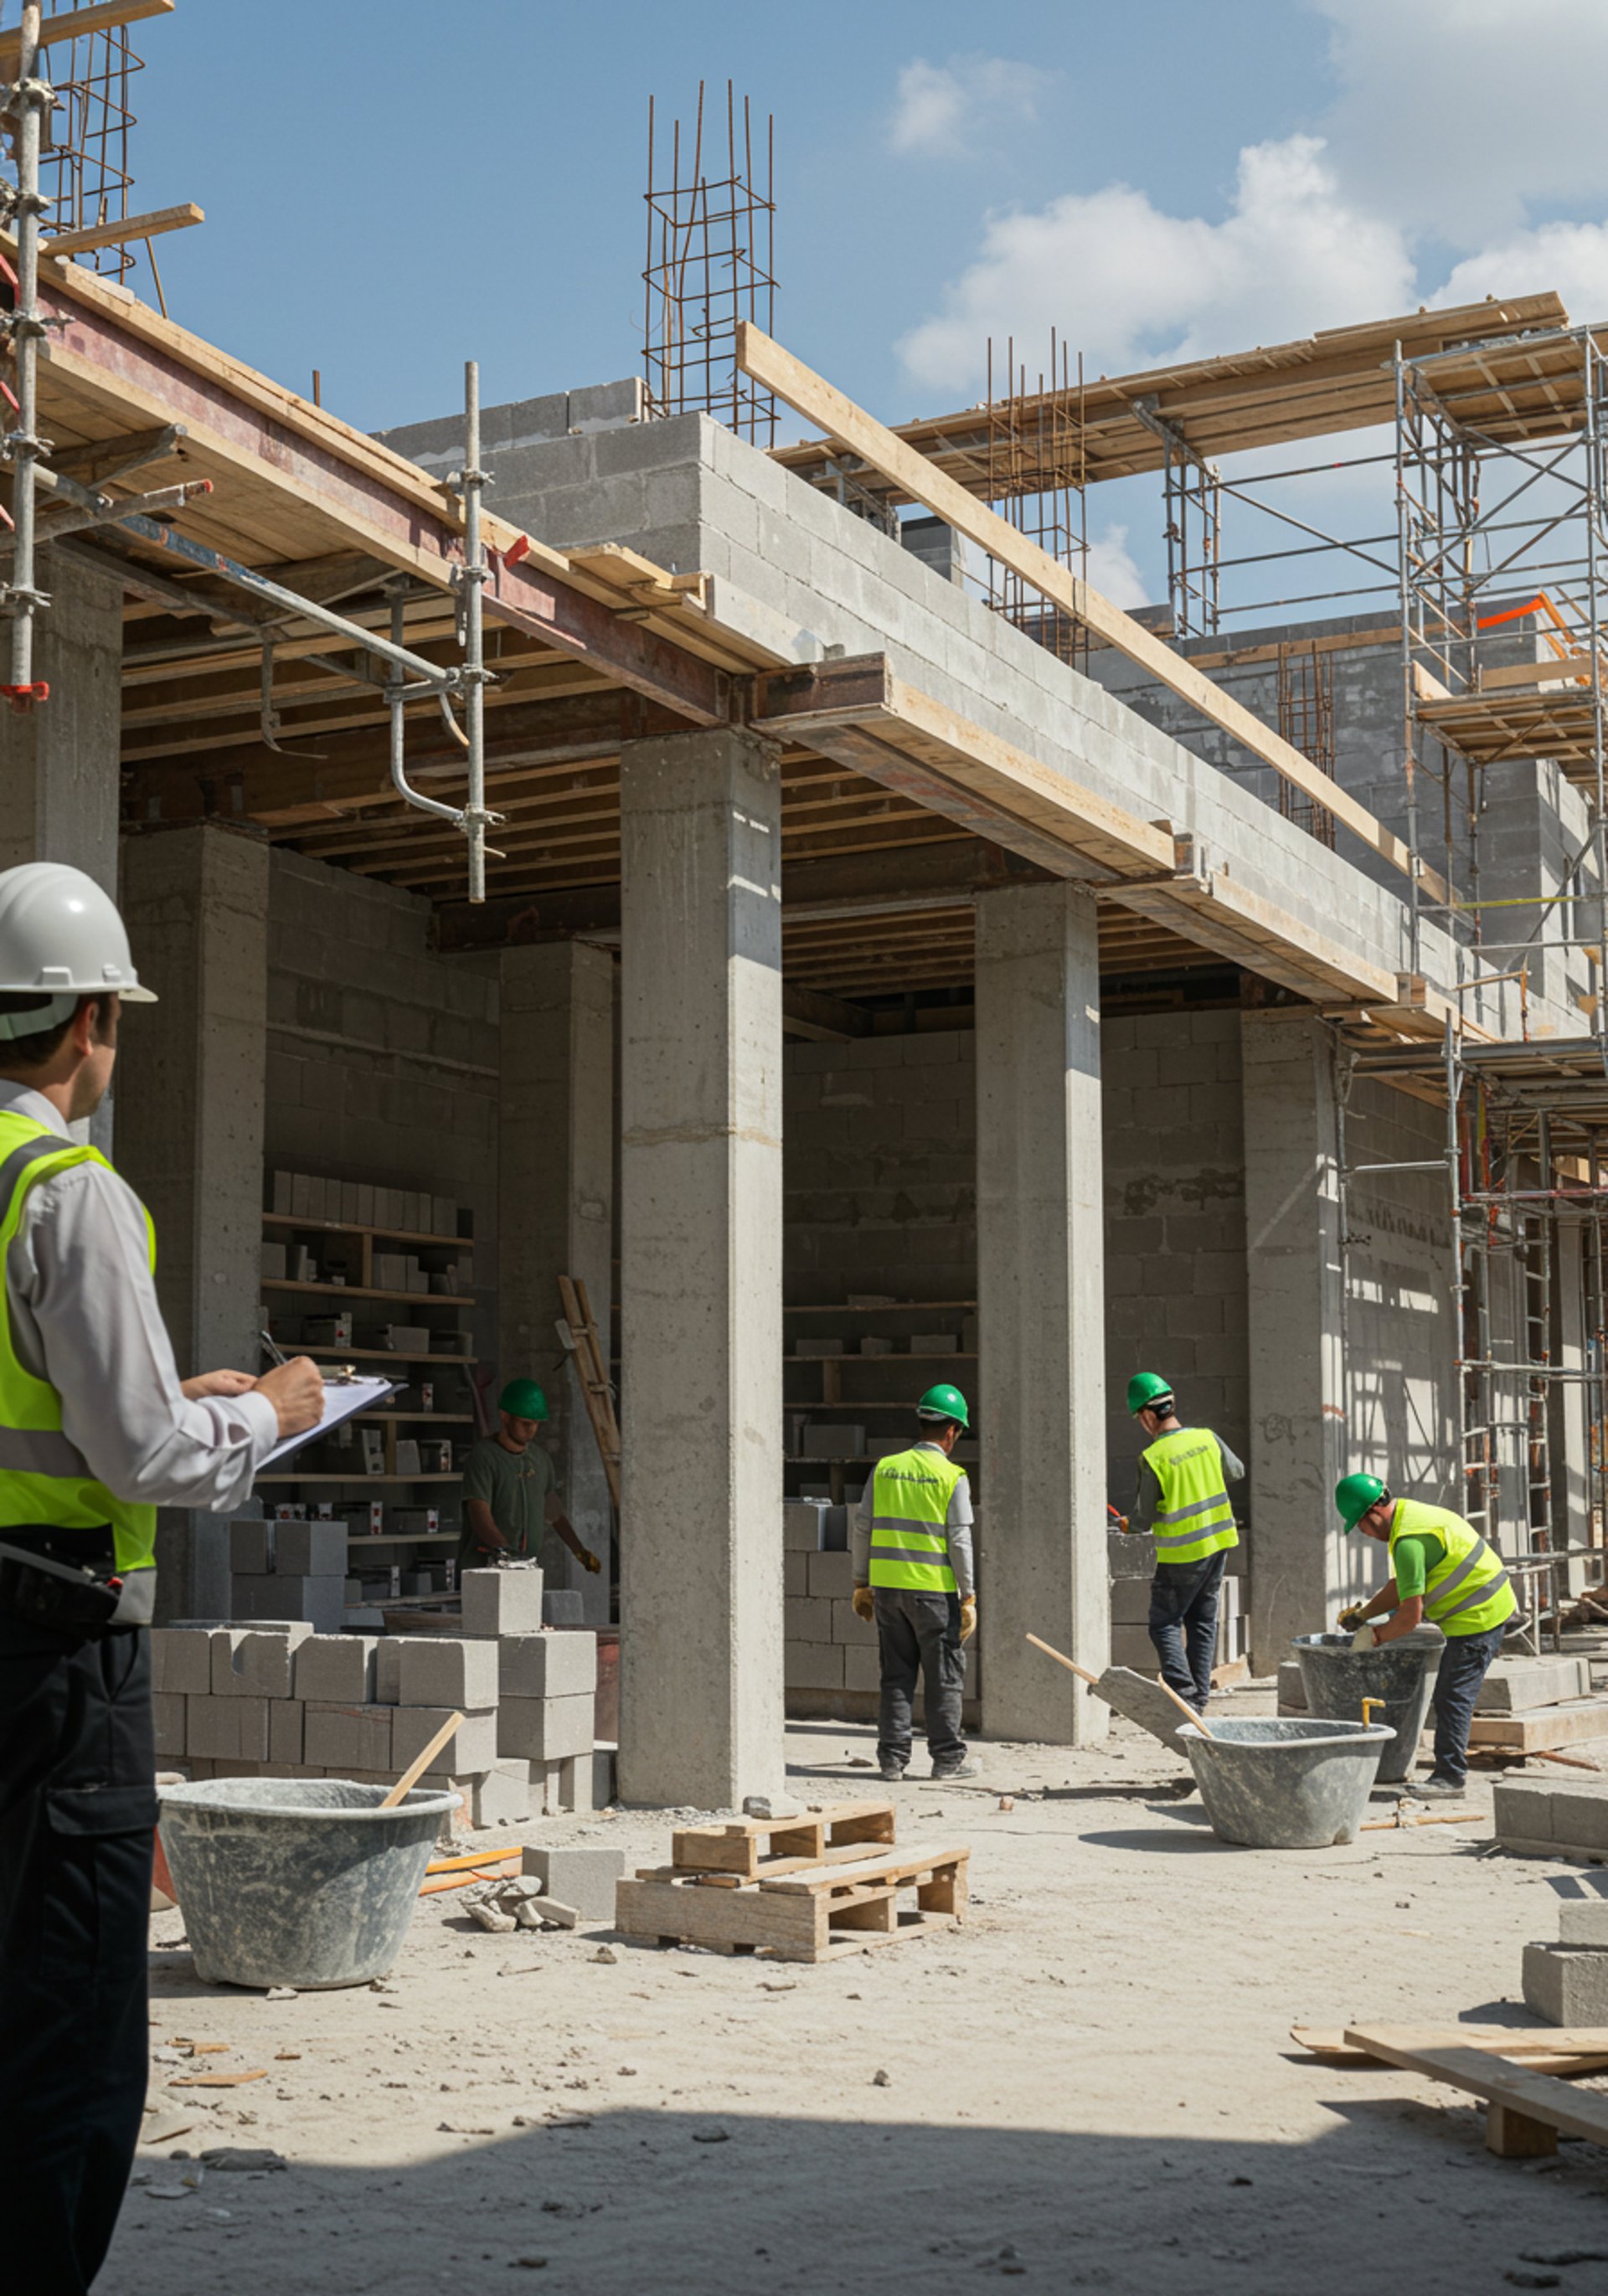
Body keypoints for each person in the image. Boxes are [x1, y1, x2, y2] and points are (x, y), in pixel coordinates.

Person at [0, 861, 323, 2296]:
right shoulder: (73, 1197)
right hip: (61, 1660)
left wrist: (158, 1400)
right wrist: (272, 1412)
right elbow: (140, 1458)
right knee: (67, 2030)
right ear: (84, 1021)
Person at [1333, 1472, 1518, 1799]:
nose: (1361, 1533)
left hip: (1479, 1618)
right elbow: (1402, 1587)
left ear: (1373, 1513)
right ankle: (1449, 1772)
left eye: (1358, 1525)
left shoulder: (1407, 1542)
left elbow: (1409, 1617)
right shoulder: (1411, 1519)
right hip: (1486, 1607)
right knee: (1450, 1695)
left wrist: (1373, 1638)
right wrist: (1363, 1615)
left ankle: (1450, 1778)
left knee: (1451, 1697)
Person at [851, 1383, 977, 1783]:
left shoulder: (885, 1468)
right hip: (933, 1594)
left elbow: (862, 1526)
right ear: (952, 1432)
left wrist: (861, 1583)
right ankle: (946, 1760)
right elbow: (959, 1540)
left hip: (887, 1591)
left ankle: (892, 1761)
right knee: (944, 1677)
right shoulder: (951, 1476)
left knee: (896, 1676)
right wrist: (969, 1594)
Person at [1126, 1371, 1245, 1714]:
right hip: (1218, 1544)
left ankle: (1182, 1693)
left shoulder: (1154, 1457)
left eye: (1139, 1419)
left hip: (1182, 1553)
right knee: (1202, 1622)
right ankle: (1198, 1702)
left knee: (1164, 1624)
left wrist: (1128, 1525)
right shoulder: (1207, 1438)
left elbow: (1143, 1518)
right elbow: (1236, 1471)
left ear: (1148, 1415)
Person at [459, 1376, 600, 1583]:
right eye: (525, 1423)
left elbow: (554, 1513)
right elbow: (480, 1515)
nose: (532, 1429)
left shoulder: (540, 1460)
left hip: (525, 1570)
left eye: (536, 1423)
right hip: (485, 1571)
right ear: (505, 1416)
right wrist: (506, 1553)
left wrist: (579, 1551)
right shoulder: (484, 1458)